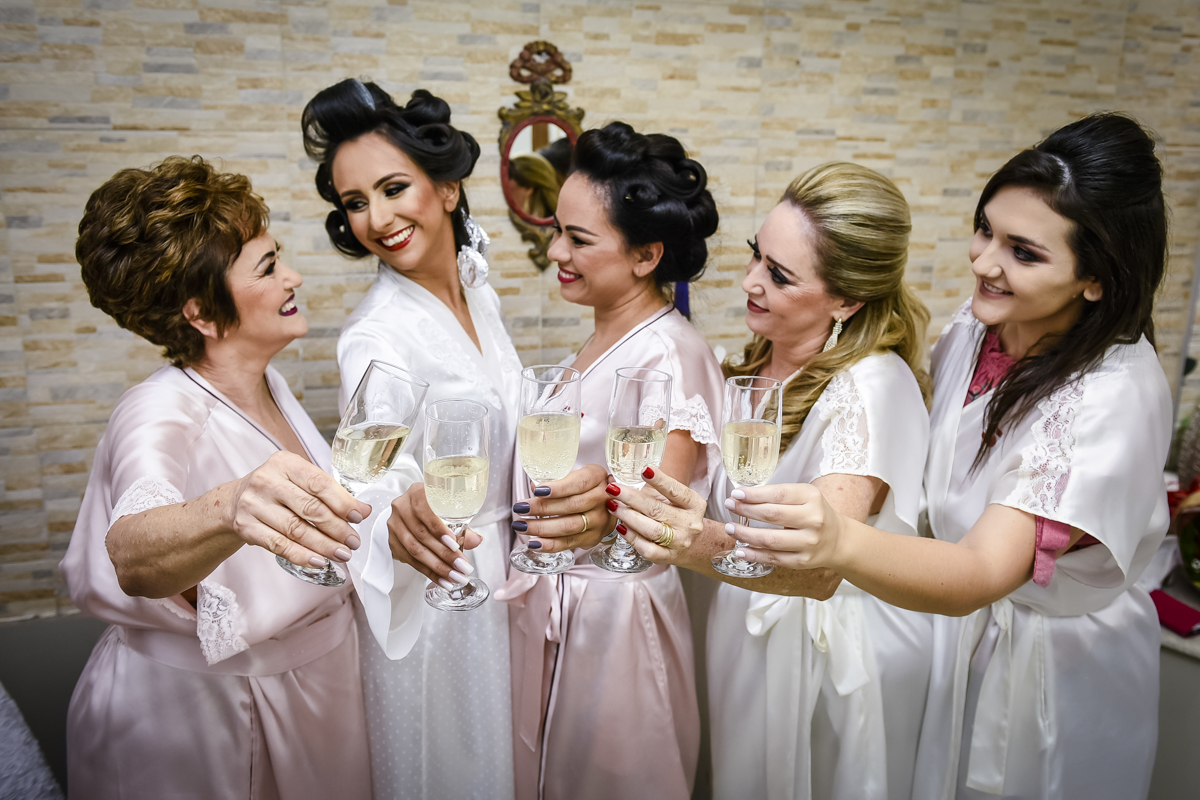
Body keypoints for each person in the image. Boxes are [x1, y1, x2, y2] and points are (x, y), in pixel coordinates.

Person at [716, 114, 1171, 800]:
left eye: (1025, 252)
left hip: (1047, 675)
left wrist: (838, 539)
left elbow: (984, 569)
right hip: (946, 638)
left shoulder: (1112, 397)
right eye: (986, 229)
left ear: (1097, 279)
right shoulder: (978, 325)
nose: (984, 262)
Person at [612, 163, 935, 799]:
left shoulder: (870, 389)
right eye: (758, 255)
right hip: (741, 625)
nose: (749, 281)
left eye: (779, 276)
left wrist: (692, 540)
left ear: (846, 299)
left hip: (824, 659)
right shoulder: (761, 358)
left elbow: (818, 570)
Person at [62, 156, 377, 799]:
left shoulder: (269, 385)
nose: (292, 276)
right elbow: (132, 553)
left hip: (314, 694)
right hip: (201, 723)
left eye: (278, 256)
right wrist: (230, 504)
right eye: (267, 268)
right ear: (202, 313)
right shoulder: (157, 410)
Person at [484, 121, 721, 800]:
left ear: (647, 256)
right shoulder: (596, 342)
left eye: (579, 239)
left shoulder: (670, 354)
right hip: (559, 606)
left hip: (615, 628)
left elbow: (655, 513)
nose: (555, 249)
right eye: (558, 228)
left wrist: (596, 514)